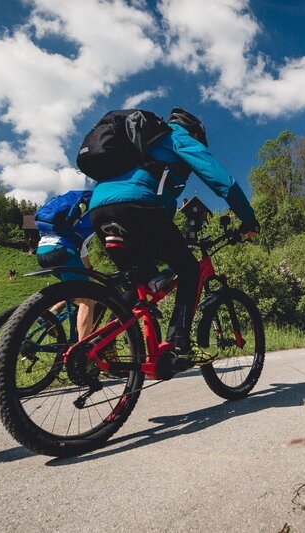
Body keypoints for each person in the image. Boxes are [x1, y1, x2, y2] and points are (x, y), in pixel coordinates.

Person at [87, 108, 259, 360]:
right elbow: (224, 182)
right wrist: (248, 219)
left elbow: (161, 200)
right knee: (189, 269)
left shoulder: (140, 145)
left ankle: (97, 345)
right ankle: (179, 345)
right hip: (137, 206)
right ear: (196, 133)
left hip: (99, 210)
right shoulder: (178, 137)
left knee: (140, 278)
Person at [35, 190, 98, 338]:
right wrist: (89, 270)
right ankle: (83, 348)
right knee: (88, 299)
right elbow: (81, 245)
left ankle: (52, 313)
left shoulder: (64, 220)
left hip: (42, 252)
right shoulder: (89, 216)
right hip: (62, 251)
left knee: (73, 289)